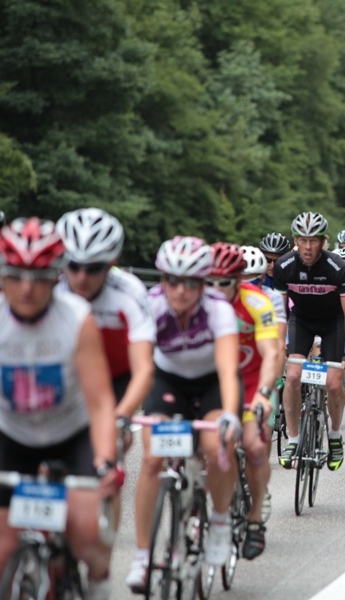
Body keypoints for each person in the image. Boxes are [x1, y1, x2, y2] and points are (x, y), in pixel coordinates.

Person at [0, 218, 120, 600]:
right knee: (2, 550)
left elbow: (100, 401)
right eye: (15, 275)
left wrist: (104, 461)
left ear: (56, 277)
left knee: (86, 533)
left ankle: (99, 582)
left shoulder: (76, 319)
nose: (27, 288)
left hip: (72, 435)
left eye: (39, 276)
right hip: (13, 436)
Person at [126, 236, 241, 591]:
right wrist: (125, 414)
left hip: (210, 383)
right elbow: (142, 367)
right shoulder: (150, 306)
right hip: (167, 380)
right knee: (152, 459)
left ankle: (220, 521)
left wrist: (231, 415)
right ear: (162, 280)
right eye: (171, 280)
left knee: (216, 445)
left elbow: (226, 367)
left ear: (203, 283)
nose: (180, 290)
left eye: (190, 282)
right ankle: (143, 557)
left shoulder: (218, 310)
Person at [206, 243, 281, 559]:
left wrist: (264, 393)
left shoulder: (256, 301)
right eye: (209, 281)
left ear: (238, 281)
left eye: (224, 282)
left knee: (253, 447)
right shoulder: (197, 300)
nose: (215, 289)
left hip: (251, 382)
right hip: (213, 382)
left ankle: (254, 520)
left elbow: (272, 352)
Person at [273, 212, 345, 472]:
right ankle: (294, 439)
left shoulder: (337, 268)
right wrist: (279, 347)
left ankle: (334, 436)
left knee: (333, 384)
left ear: (323, 241)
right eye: (302, 240)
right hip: (302, 321)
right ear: (295, 240)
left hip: (333, 323)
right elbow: (280, 313)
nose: (307, 247)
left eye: (313, 241)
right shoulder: (284, 266)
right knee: (294, 376)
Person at [56, 208, 155, 416]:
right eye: (73, 266)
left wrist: (123, 417)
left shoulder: (130, 293)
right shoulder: (52, 288)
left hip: (117, 375)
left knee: (112, 439)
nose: (82, 277)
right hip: (70, 372)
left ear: (112, 263)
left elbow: (144, 369)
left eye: (93, 268)